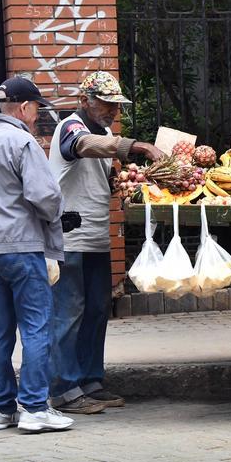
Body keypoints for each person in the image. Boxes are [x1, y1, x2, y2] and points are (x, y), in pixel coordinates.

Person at [48, 71, 164, 414]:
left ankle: (89, 381)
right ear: (84, 101)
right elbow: (82, 147)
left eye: (116, 104)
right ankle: (63, 389)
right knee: (69, 312)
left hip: (97, 236)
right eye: (105, 102)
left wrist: (127, 181)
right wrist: (137, 147)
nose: (112, 110)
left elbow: (100, 174)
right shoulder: (71, 127)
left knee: (97, 310)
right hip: (70, 238)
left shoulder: (106, 131)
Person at [0, 77, 74, 433]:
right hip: (20, 246)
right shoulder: (22, 141)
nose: (36, 114)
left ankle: (0, 409)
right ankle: (34, 408)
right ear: (25, 108)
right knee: (36, 326)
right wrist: (58, 214)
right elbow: (44, 196)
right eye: (36, 108)